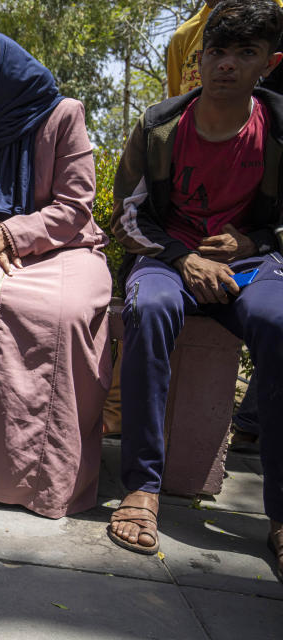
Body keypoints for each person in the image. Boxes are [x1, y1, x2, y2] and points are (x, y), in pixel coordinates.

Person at [109, 0, 283, 577]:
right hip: (168, 256)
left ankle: (279, 515)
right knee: (150, 308)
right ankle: (141, 486)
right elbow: (127, 216)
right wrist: (183, 259)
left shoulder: (279, 129)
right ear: (199, 59)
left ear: (269, 62)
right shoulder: (160, 127)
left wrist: (253, 242)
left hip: (251, 264)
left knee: (279, 324)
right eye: (217, 51)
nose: (227, 65)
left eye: (245, 54)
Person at [0, 32, 112, 519]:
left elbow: (75, 207)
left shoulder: (63, 116)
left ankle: (51, 480)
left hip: (66, 246)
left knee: (64, 312)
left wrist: (12, 235)